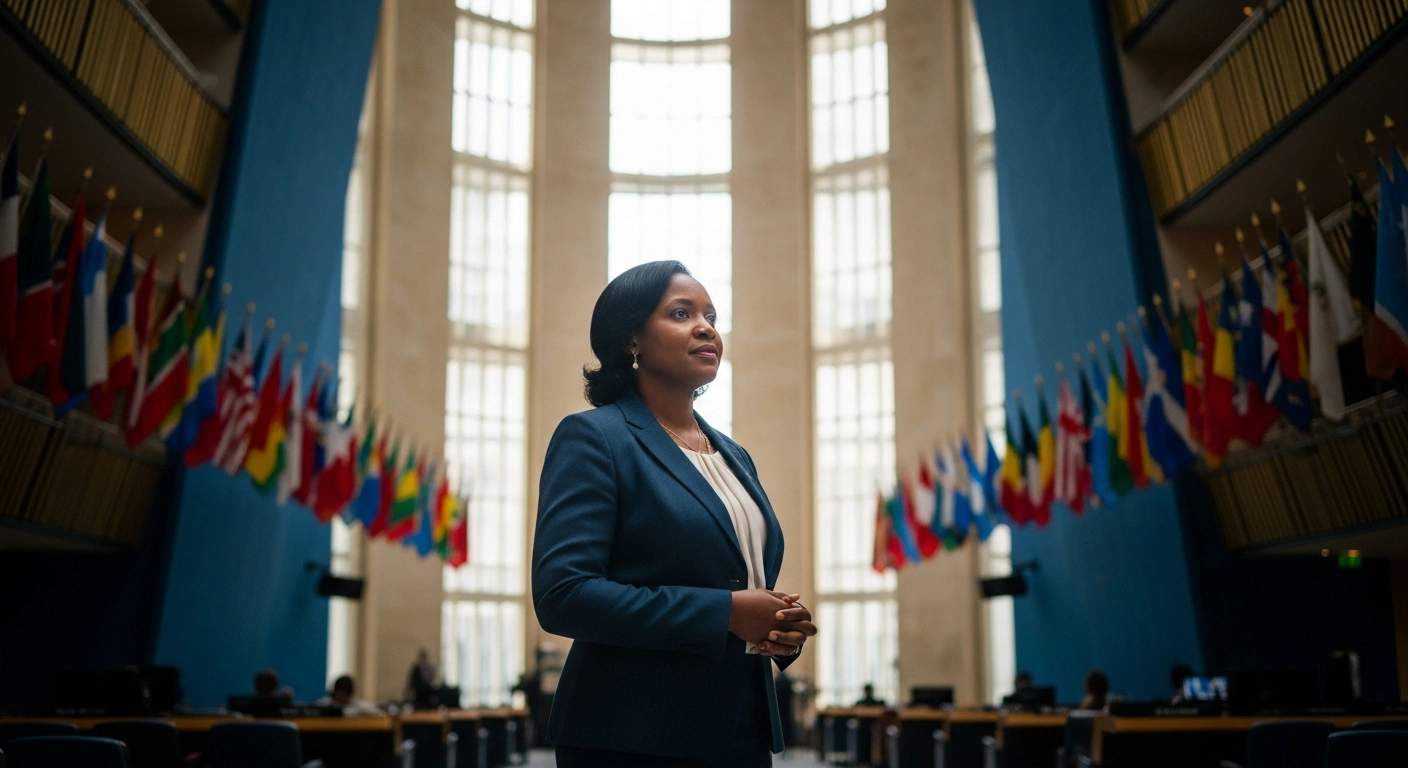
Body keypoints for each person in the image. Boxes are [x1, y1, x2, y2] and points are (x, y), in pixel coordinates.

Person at [533, 261, 818, 767]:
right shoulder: (595, 438)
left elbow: (737, 577)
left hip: (741, 732)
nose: (706, 326)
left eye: (711, 314)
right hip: (631, 734)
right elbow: (564, 595)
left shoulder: (734, 455)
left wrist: (774, 630)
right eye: (681, 313)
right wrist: (725, 613)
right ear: (631, 340)